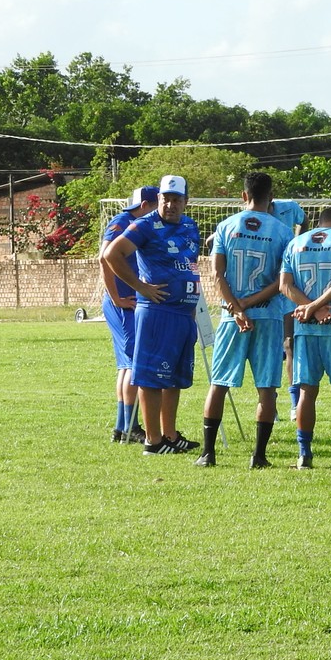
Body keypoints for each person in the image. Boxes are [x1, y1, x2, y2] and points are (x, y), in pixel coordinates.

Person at [198, 172, 294, 468]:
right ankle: (259, 456)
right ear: (271, 198)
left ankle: (207, 453)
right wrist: (251, 304)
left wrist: (237, 308)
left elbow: (216, 274)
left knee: (218, 383)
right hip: (268, 317)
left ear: (243, 196)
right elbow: (282, 280)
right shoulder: (282, 231)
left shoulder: (226, 227)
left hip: (231, 318)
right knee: (267, 388)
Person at [103, 175, 202, 455]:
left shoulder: (189, 225)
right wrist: (140, 287)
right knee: (152, 378)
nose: (170, 204)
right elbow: (112, 254)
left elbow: (188, 265)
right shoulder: (145, 225)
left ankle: (170, 435)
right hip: (158, 311)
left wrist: (191, 303)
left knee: (175, 378)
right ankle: (153, 440)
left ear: (185, 201)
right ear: (158, 199)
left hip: (184, 312)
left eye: (176, 199)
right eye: (165, 198)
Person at [280, 207, 331, 469]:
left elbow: (284, 285)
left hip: (305, 329)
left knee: (306, 392)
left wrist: (310, 308)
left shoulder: (296, 242)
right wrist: (318, 307)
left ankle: (304, 455)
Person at [98, 184, 158, 444]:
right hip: (123, 303)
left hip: (126, 301)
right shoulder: (124, 222)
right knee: (133, 365)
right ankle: (131, 426)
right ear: (145, 205)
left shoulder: (132, 224)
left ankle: (123, 427)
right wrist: (116, 298)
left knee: (126, 366)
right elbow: (103, 258)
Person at [270, 198, 306, 422]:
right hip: (266, 287)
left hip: (287, 286)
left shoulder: (289, 207)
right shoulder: (251, 217)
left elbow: (304, 219)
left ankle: (294, 403)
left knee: (290, 343)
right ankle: (269, 403)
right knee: (269, 349)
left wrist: (299, 241)